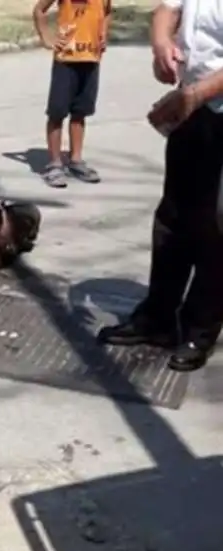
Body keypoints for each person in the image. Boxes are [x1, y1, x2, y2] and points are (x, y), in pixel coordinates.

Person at [96, 0, 223, 372]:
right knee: (174, 215)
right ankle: (157, 317)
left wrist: (196, 94)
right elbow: (166, 9)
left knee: (218, 223)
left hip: (207, 101)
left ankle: (200, 327)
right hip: (193, 105)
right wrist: (161, 45)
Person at [32, 0, 111, 188]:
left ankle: (76, 160)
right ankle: (54, 164)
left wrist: (103, 32)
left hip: (90, 58)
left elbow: (107, 12)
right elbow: (39, 10)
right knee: (57, 112)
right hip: (66, 59)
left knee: (81, 111)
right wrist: (46, 38)